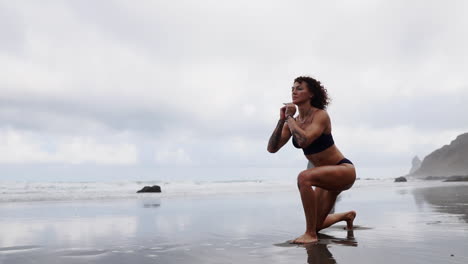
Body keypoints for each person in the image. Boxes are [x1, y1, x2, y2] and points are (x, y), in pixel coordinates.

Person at [267, 76, 357, 244]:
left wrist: (290, 119)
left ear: (311, 94)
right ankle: (347, 216)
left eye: (299, 88)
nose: (294, 91)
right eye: (292, 88)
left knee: (304, 177)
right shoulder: (291, 122)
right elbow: (272, 148)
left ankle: (310, 235)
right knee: (317, 224)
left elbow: (304, 141)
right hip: (324, 176)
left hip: (343, 170)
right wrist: (282, 120)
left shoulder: (320, 116)